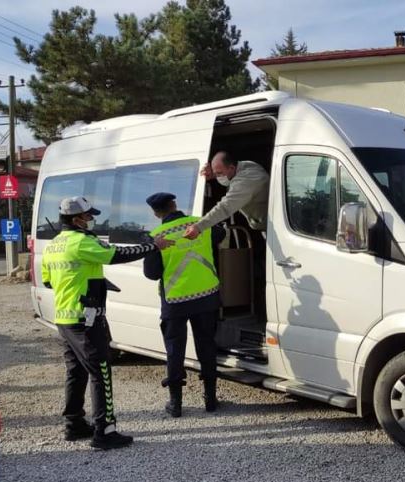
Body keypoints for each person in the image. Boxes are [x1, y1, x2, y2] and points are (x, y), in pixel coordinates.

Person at [41, 196, 172, 450]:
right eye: (89, 216)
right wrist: (153, 246)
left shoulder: (54, 244)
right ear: (77, 219)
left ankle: (74, 424)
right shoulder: (80, 242)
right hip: (86, 318)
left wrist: (84, 281)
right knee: (100, 373)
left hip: (65, 318)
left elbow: (49, 281)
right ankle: (105, 430)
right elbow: (116, 254)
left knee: (76, 372)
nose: (92, 220)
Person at [143, 192, 225, 417]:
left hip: (176, 302)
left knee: (175, 351)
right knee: (206, 346)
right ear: (174, 204)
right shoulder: (201, 224)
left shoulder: (155, 236)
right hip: (207, 296)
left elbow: (151, 274)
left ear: (156, 213)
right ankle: (210, 399)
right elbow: (222, 232)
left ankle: (176, 403)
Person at [183, 151, 269, 321]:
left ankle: (261, 316)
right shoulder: (243, 167)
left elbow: (226, 207)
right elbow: (231, 181)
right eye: (216, 173)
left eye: (220, 173)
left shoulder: (249, 177)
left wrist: (199, 226)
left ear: (231, 167)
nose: (217, 177)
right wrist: (215, 176)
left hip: (269, 229)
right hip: (261, 226)